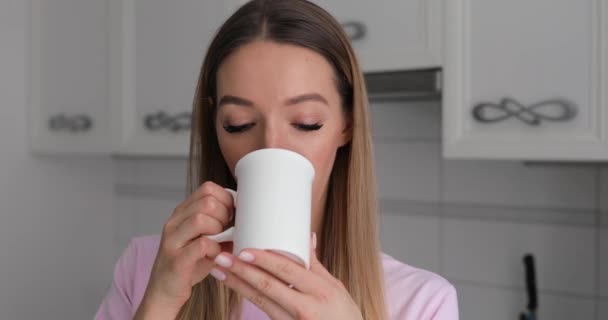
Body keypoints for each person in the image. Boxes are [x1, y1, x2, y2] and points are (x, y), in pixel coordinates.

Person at [95, 0, 459, 319]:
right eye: (238, 125)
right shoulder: (148, 269)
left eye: (306, 123)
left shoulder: (421, 304)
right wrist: (158, 303)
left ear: (347, 124)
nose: (270, 147)